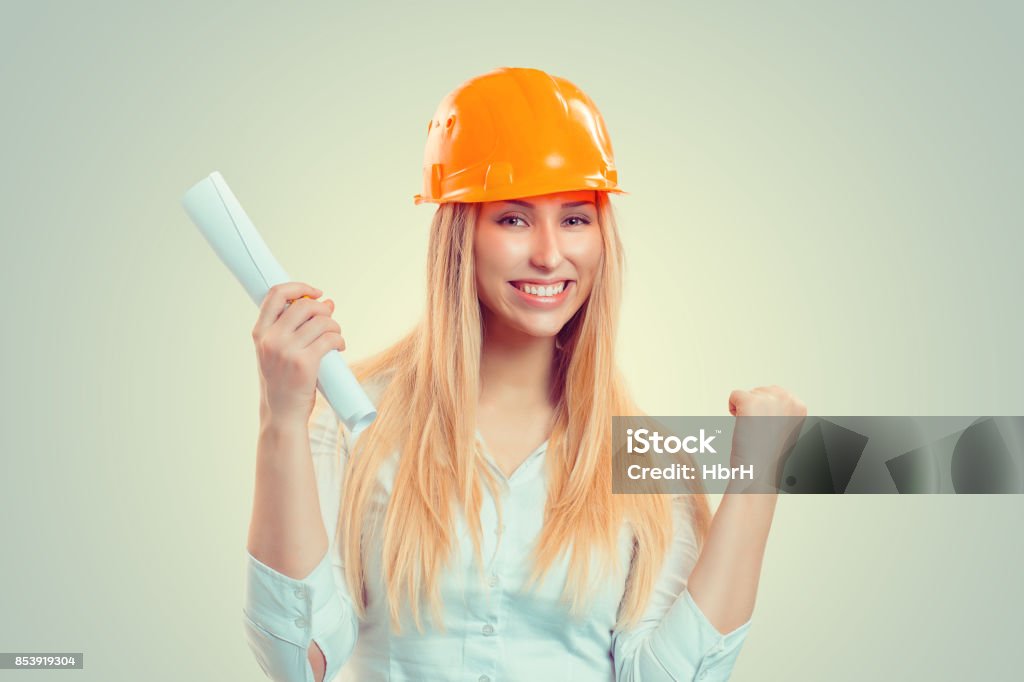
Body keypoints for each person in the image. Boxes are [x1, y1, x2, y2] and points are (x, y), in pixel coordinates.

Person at [242, 66, 806, 682]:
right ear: (462, 237)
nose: (548, 254)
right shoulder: (352, 423)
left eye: (574, 218)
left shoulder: (644, 456)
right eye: (513, 218)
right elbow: (300, 662)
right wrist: (282, 419)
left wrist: (758, 475)